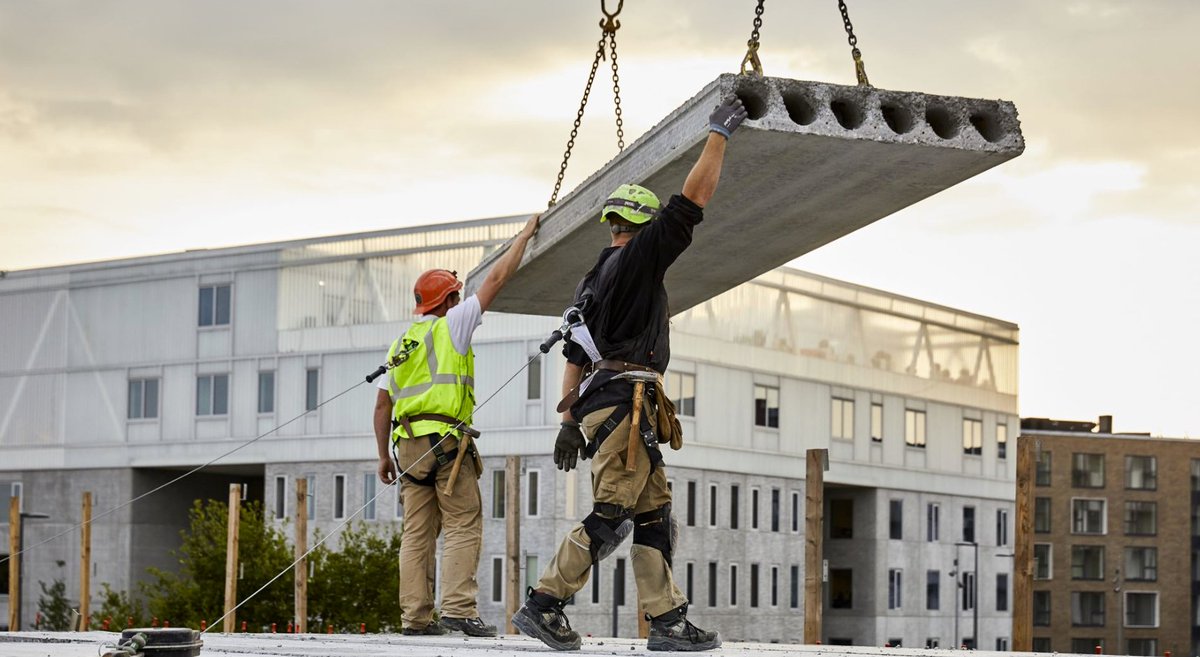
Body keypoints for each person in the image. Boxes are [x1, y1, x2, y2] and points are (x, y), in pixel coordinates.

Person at [511, 94, 747, 652]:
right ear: (639, 226)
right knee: (612, 513)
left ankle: (666, 622)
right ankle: (545, 603)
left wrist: (568, 420)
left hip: (610, 406)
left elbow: (574, 354)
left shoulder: (592, 278)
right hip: (625, 404)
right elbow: (691, 203)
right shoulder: (638, 260)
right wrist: (718, 134)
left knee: (653, 514)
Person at [374, 214, 539, 636]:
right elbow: (497, 278)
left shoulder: (402, 342)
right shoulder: (453, 326)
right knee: (464, 522)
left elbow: (382, 407)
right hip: (446, 441)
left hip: (407, 447)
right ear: (448, 300)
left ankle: (415, 619)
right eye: (456, 296)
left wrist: (381, 457)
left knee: (416, 535)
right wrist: (523, 237)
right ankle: (460, 610)